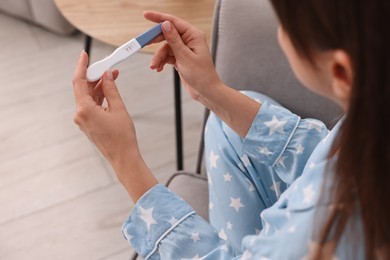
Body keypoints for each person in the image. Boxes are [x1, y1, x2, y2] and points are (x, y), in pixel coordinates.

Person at [72, 0, 390, 259]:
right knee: (228, 128)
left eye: (286, 26)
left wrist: (124, 159)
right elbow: (324, 155)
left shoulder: (320, 231)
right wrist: (211, 90)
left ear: (340, 72)